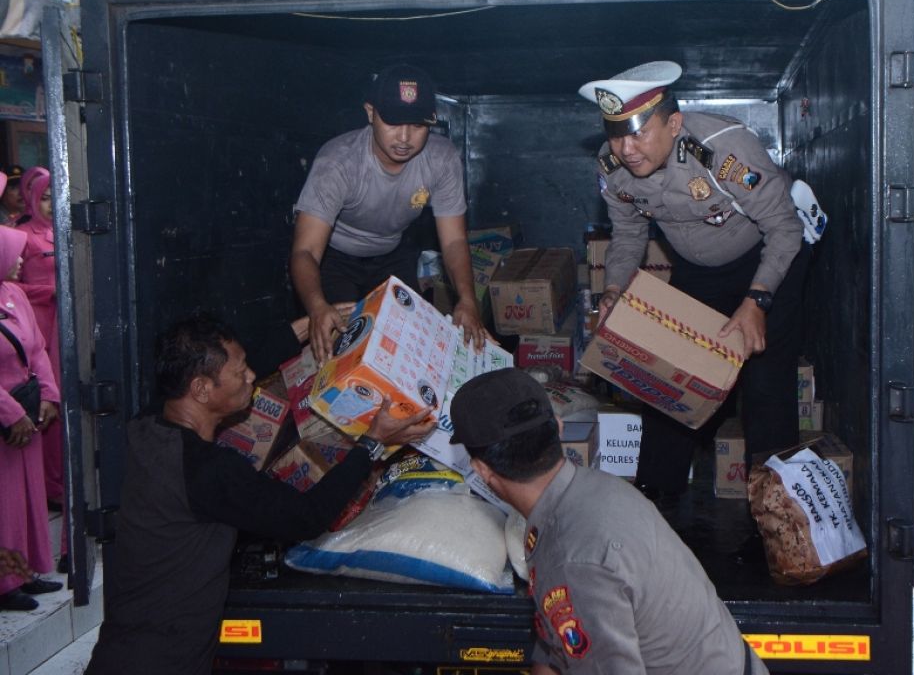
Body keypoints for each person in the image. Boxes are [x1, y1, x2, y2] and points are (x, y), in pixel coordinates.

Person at [84, 312, 436, 675]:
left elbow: (236, 367)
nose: (251, 376)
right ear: (202, 389)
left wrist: (309, 325)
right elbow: (307, 517)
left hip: (120, 650)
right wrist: (372, 443)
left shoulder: (147, 428)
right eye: (240, 372)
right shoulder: (208, 472)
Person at [579, 60, 812, 500]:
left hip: (766, 263)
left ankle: (776, 514)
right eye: (615, 132)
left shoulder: (724, 149)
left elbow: (785, 228)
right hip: (698, 270)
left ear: (675, 123)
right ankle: (654, 504)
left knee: (766, 387)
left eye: (638, 131)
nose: (626, 148)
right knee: (671, 380)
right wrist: (612, 289)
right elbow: (629, 235)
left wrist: (757, 302)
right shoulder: (612, 167)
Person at [449, 368, 768, 675]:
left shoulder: (575, 559)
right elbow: (556, 645)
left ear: (481, 470)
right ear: (559, 428)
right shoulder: (595, 489)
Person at [291, 63, 487, 362]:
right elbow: (305, 251)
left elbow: (453, 242)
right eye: (393, 122)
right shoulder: (338, 163)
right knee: (347, 350)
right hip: (336, 259)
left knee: (412, 345)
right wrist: (317, 307)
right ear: (370, 113)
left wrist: (467, 299)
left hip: (394, 253)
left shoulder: (442, 159)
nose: (405, 138)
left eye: (418, 125)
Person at [0, 222, 62, 611]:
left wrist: (48, 396)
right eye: (14, 252)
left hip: (27, 412)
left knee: (28, 499)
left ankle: (26, 571)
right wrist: (11, 413)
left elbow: (37, 349)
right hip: (7, 421)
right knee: (4, 504)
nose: (22, 259)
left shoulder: (14, 294)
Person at [15, 167, 64, 510]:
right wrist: (48, 290)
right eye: (43, 199)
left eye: (53, 199)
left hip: (62, 326)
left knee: (59, 402)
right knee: (43, 400)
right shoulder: (21, 237)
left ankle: (60, 480)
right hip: (37, 322)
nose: (49, 206)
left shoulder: (64, 233)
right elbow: (9, 282)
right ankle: (47, 485)